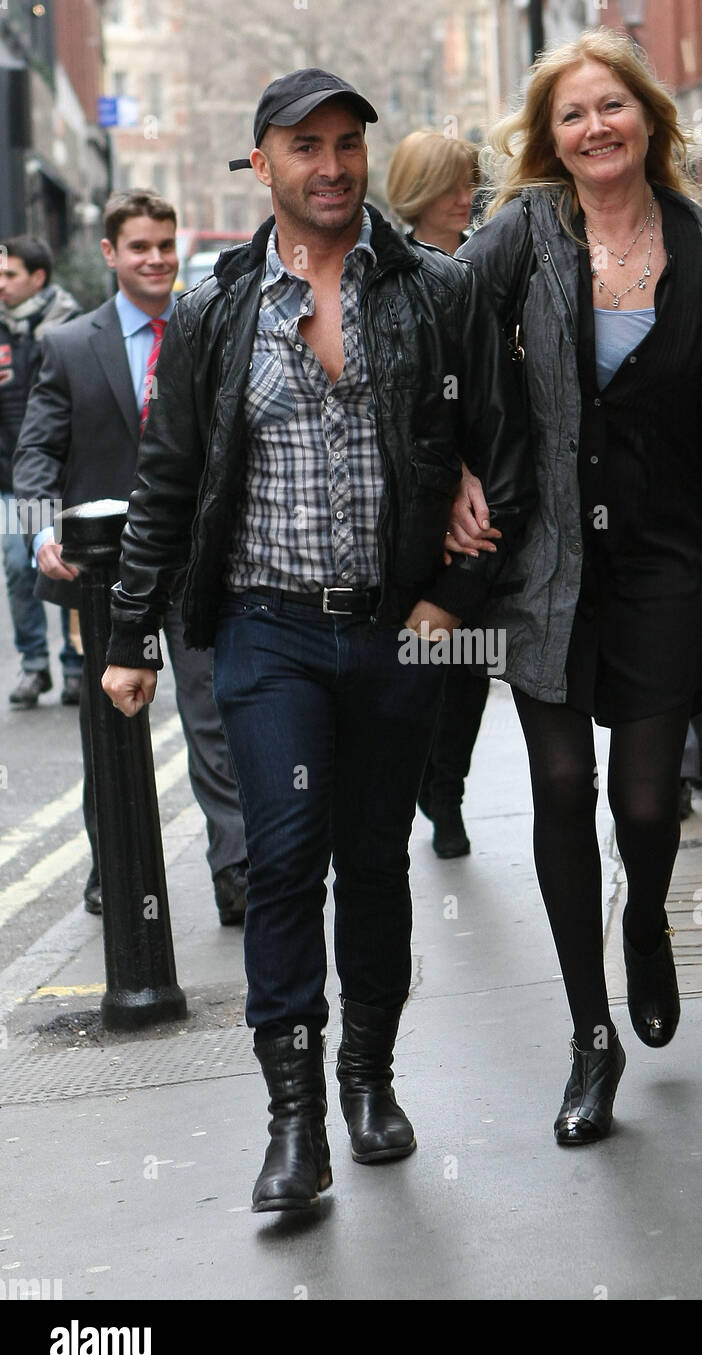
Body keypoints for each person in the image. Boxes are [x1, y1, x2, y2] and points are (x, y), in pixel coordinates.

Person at [100, 69, 533, 1212]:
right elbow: (168, 478)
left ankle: (369, 1080)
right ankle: (292, 1120)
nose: (332, 165)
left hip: (399, 628)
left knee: (376, 861)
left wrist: (450, 595)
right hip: (266, 626)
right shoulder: (213, 309)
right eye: (305, 147)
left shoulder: (437, 291)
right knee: (284, 860)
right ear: (262, 165)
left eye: (348, 144)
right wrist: (130, 633)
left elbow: (511, 455)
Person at [449, 29, 702, 1144]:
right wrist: (458, 475)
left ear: (648, 122)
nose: (594, 129)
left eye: (611, 108)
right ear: (550, 140)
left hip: (671, 560)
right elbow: (442, 356)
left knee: (643, 799)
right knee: (561, 784)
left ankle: (649, 925)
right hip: (545, 566)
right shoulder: (514, 241)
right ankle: (589, 1037)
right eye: (572, 115)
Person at [13, 190, 248, 923]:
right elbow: (36, 454)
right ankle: (114, 870)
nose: (156, 259)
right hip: (104, 579)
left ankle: (237, 874)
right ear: (111, 254)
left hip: (198, 564)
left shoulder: (205, 330)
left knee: (213, 721)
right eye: (140, 247)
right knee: (111, 729)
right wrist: (39, 531)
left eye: (166, 245)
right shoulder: (69, 345)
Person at [386, 129, 488, 856]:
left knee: (470, 663)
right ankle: (425, 783)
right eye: (455, 184)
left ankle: (445, 790)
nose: (468, 196)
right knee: (425, 662)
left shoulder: (488, 264)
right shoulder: (388, 274)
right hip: (414, 503)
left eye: (473, 182)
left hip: (493, 497)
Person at [0, 236, 81, 707]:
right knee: (18, 566)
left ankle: (76, 664)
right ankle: (34, 666)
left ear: (38, 278)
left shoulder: (71, 326)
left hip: (69, 479)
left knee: (70, 567)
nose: (2, 285)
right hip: (15, 481)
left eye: (10, 275)